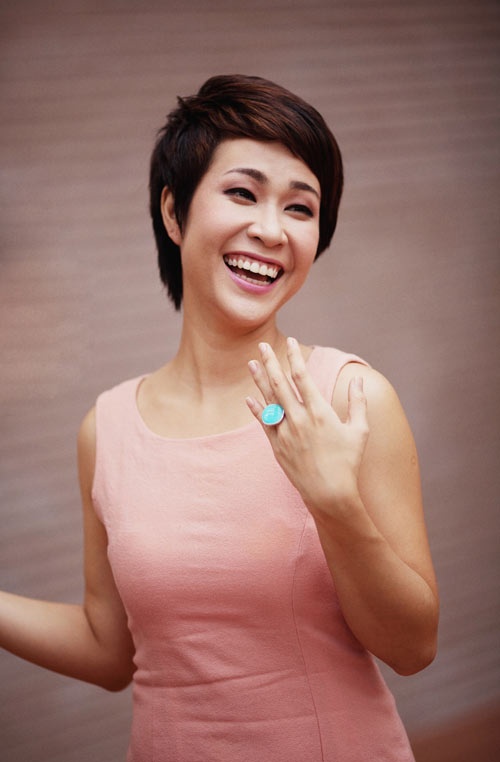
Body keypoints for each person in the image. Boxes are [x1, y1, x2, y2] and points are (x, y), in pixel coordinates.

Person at [0, 74, 439, 761]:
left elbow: (413, 648)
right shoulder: (106, 429)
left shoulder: (350, 399)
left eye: (300, 207)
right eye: (242, 193)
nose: (270, 230)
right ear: (174, 212)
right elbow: (109, 649)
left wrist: (334, 501)